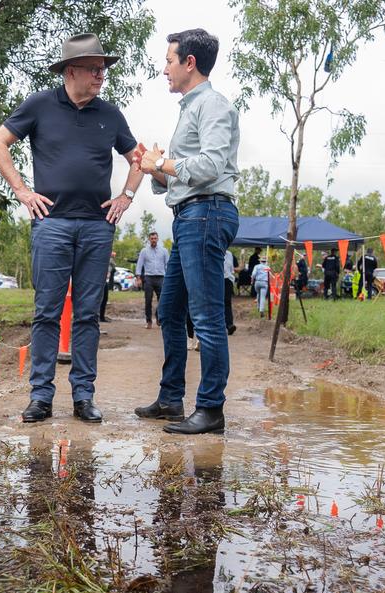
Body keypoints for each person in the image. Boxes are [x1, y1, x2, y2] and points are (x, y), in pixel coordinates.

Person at [0, 33, 142, 423]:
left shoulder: (110, 113)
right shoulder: (40, 104)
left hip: (96, 226)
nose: (101, 76)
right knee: (46, 314)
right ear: (71, 71)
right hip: (51, 224)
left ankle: (83, 397)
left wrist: (125, 196)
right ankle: (40, 397)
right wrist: (22, 191)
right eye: (94, 69)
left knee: (88, 315)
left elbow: (138, 159)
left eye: (103, 69)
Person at [133, 28, 240, 435]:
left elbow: (211, 166)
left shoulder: (212, 105)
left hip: (207, 214)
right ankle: (171, 398)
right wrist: (156, 167)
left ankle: (211, 409)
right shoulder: (190, 109)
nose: (164, 69)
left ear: (189, 63)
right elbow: (174, 182)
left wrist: (164, 164)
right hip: (190, 216)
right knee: (170, 310)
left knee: (207, 318)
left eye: (168, 60)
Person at [135, 231, 169, 328]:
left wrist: (169, 278)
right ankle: (149, 321)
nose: (153, 240)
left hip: (161, 278)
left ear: (157, 239)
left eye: (155, 238)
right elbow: (139, 264)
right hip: (148, 278)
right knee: (148, 300)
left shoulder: (164, 251)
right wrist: (138, 278)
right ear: (149, 239)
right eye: (152, 238)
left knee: (162, 300)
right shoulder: (144, 251)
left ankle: (159, 318)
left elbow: (168, 265)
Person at [223, 249, 239, 335]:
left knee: (227, 302)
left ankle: (229, 325)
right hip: (215, 279)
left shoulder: (229, 254)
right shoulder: (212, 249)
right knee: (215, 303)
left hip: (227, 280)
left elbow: (233, 269)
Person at [100, 251, 117, 322]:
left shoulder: (109, 261)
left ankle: (101, 317)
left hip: (105, 280)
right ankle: (98, 317)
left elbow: (113, 266)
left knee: (104, 299)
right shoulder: (107, 259)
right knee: (100, 299)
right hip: (100, 280)